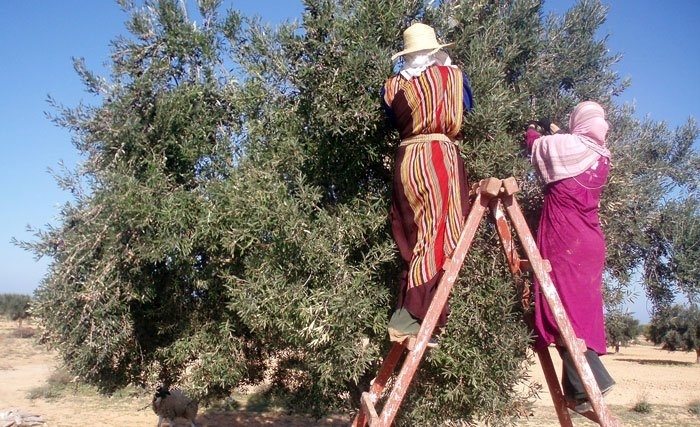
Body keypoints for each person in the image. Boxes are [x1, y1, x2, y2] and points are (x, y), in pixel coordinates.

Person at [380, 23, 474, 346]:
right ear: (435, 49)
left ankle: (423, 318)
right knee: (439, 236)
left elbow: (391, 115)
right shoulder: (453, 78)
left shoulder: (393, 86)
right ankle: (410, 316)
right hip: (438, 159)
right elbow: (467, 106)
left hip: (406, 161)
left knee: (413, 238)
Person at [524, 101, 616, 407]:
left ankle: (597, 381)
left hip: (566, 239)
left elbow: (535, 146)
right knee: (577, 315)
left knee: (557, 309)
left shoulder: (565, 146)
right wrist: (559, 133)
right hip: (590, 243)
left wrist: (531, 129)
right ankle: (578, 393)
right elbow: (569, 148)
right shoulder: (602, 157)